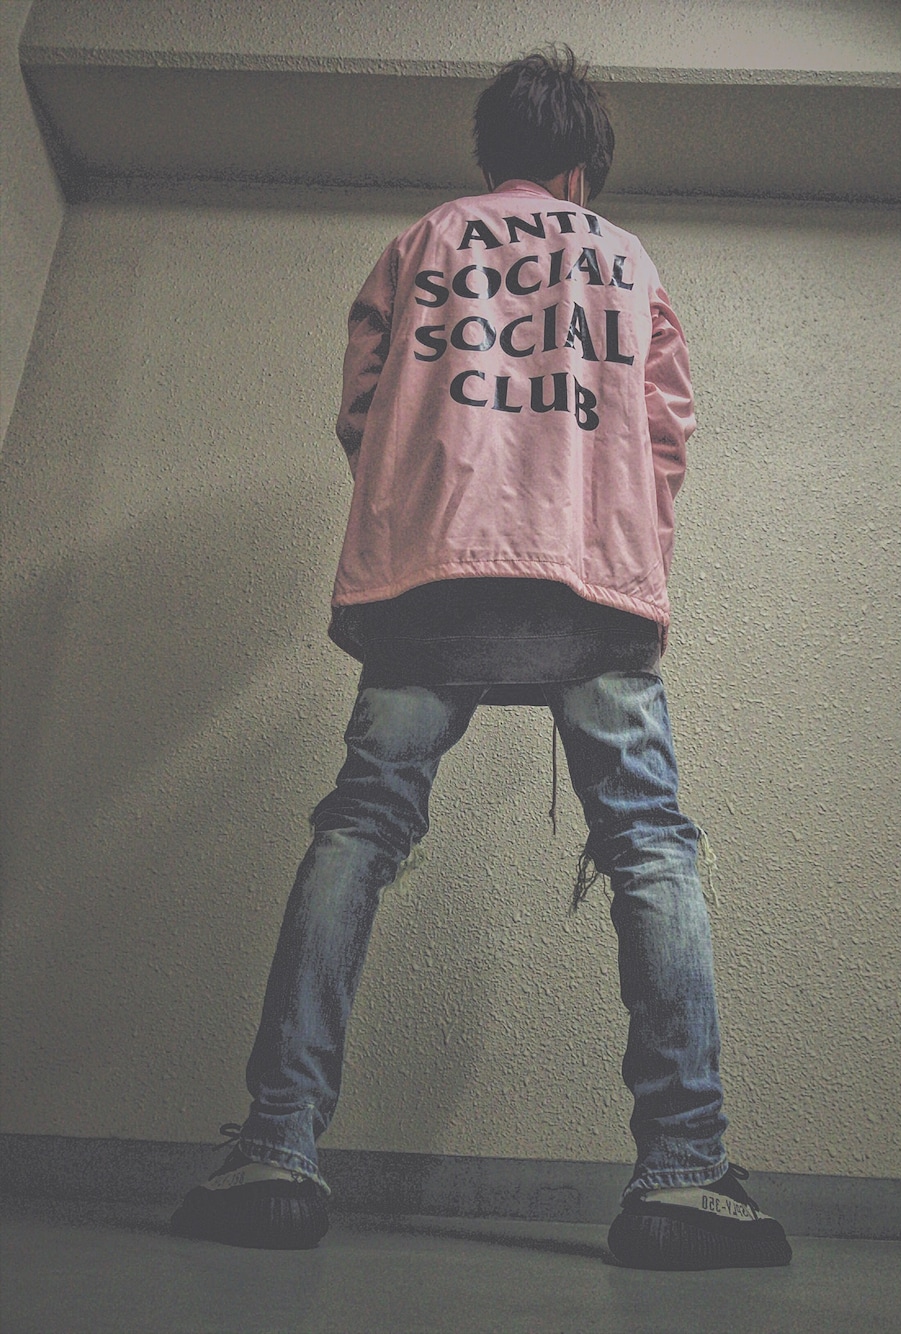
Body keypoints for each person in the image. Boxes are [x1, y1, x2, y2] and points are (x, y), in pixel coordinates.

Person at [171, 48, 791, 1271]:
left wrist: (427, 507)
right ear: (579, 171)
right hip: (587, 580)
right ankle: (681, 1171)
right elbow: (665, 432)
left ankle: (277, 1147)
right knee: (648, 843)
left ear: (493, 152)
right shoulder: (626, 260)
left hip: (429, 578)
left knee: (360, 827)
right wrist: (612, 540)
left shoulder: (421, 243)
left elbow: (362, 409)